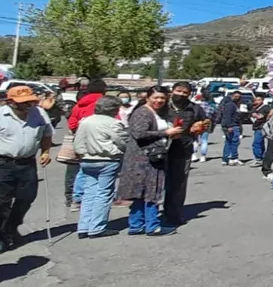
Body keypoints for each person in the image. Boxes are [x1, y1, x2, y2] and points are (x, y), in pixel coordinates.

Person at [117, 86, 184, 236]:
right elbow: (140, 133)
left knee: (142, 192)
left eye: (162, 98)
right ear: (148, 98)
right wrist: (166, 132)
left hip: (152, 155)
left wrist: (171, 135)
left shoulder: (156, 113)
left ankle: (137, 224)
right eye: (156, 97)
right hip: (143, 158)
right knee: (151, 191)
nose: (159, 100)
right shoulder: (142, 112)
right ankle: (151, 225)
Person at [0, 86, 53, 252]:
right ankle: (1, 236)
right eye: (24, 102)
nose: (29, 104)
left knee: (27, 198)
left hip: (27, 163)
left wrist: (45, 151)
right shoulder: (1, 115)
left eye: (31, 101)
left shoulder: (39, 114)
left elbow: (46, 134)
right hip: (3, 163)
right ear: (11, 102)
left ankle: (11, 227)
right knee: (2, 202)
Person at [73, 95, 129, 238]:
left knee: (89, 193)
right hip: (107, 159)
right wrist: (118, 151)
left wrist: (83, 153)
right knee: (104, 193)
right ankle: (97, 227)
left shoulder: (86, 121)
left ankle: (84, 226)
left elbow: (78, 142)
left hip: (88, 159)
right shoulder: (114, 123)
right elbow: (122, 141)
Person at [163, 82, 209, 227]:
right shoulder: (162, 105)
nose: (181, 94)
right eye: (179, 91)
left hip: (182, 150)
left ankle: (173, 215)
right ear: (172, 90)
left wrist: (201, 126)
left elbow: (206, 121)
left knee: (178, 184)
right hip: (159, 150)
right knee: (155, 183)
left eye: (185, 92)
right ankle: (149, 216)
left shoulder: (195, 108)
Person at [64, 78, 107, 211]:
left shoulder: (79, 105)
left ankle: (77, 198)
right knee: (104, 172)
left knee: (82, 170)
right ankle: (96, 199)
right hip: (102, 141)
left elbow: (71, 124)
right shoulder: (106, 104)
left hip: (81, 141)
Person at [217, 90, 243, 165]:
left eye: (239, 97)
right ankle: (233, 158)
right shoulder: (230, 105)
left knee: (229, 142)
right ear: (232, 96)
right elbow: (227, 116)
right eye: (236, 96)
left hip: (233, 125)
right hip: (232, 125)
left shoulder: (234, 105)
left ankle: (226, 159)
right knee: (234, 142)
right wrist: (229, 126)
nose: (237, 98)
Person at [191, 92, 216, 163]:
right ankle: (203, 157)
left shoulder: (197, 106)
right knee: (204, 141)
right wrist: (212, 127)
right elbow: (214, 118)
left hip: (197, 123)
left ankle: (193, 155)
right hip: (207, 124)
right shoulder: (211, 107)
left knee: (195, 140)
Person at [250, 96, 272, 167]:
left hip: (261, 127)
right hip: (256, 127)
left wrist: (256, 115)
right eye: (256, 100)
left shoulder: (266, 108)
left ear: (262, 100)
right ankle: (262, 157)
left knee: (256, 143)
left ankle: (258, 159)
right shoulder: (254, 107)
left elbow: (263, 117)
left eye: (259, 100)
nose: (257, 101)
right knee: (260, 143)